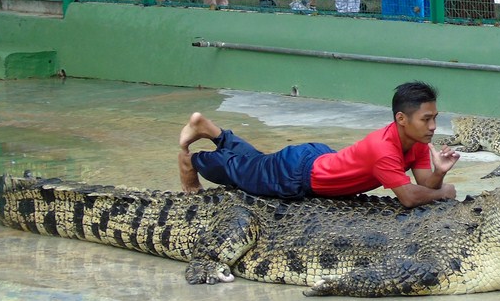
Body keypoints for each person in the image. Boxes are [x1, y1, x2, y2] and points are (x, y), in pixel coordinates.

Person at [178, 81, 460, 208]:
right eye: (426, 119)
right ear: (401, 118)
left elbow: (425, 185)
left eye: (434, 118)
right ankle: (193, 161)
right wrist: (444, 193)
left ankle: (211, 130)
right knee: (239, 172)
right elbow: (410, 197)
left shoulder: (419, 141)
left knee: (255, 165)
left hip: (322, 160)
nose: (433, 126)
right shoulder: (384, 149)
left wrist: (440, 174)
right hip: (298, 173)